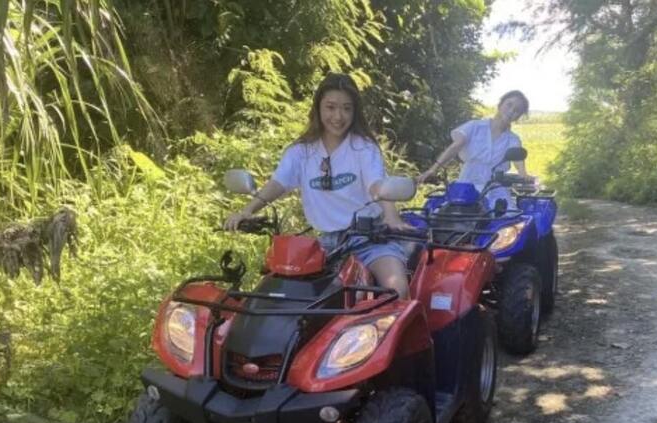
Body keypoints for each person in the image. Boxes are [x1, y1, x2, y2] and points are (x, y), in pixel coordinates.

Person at [224, 73, 412, 298]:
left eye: (346, 108)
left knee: (397, 290)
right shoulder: (301, 152)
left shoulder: (363, 147)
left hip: (369, 239)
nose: (338, 116)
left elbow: (377, 186)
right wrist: (247, 211)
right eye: (330, 107)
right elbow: (278, 183)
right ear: (318, 108)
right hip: (324, 245)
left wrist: (391, 216)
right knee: (282, 295)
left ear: (355, 112)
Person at [417, 90, 531, 207]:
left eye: (517, 110)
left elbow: (519, 162)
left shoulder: (513, 139)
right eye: (509, 105)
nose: (511, 111)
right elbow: (455, 147)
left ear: (518, 117)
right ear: (500, 104)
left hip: (495, 189)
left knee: (506, 214)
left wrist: (523, 174)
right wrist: (433, 169)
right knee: (445, 212)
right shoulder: (474, 127)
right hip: (466, 187)